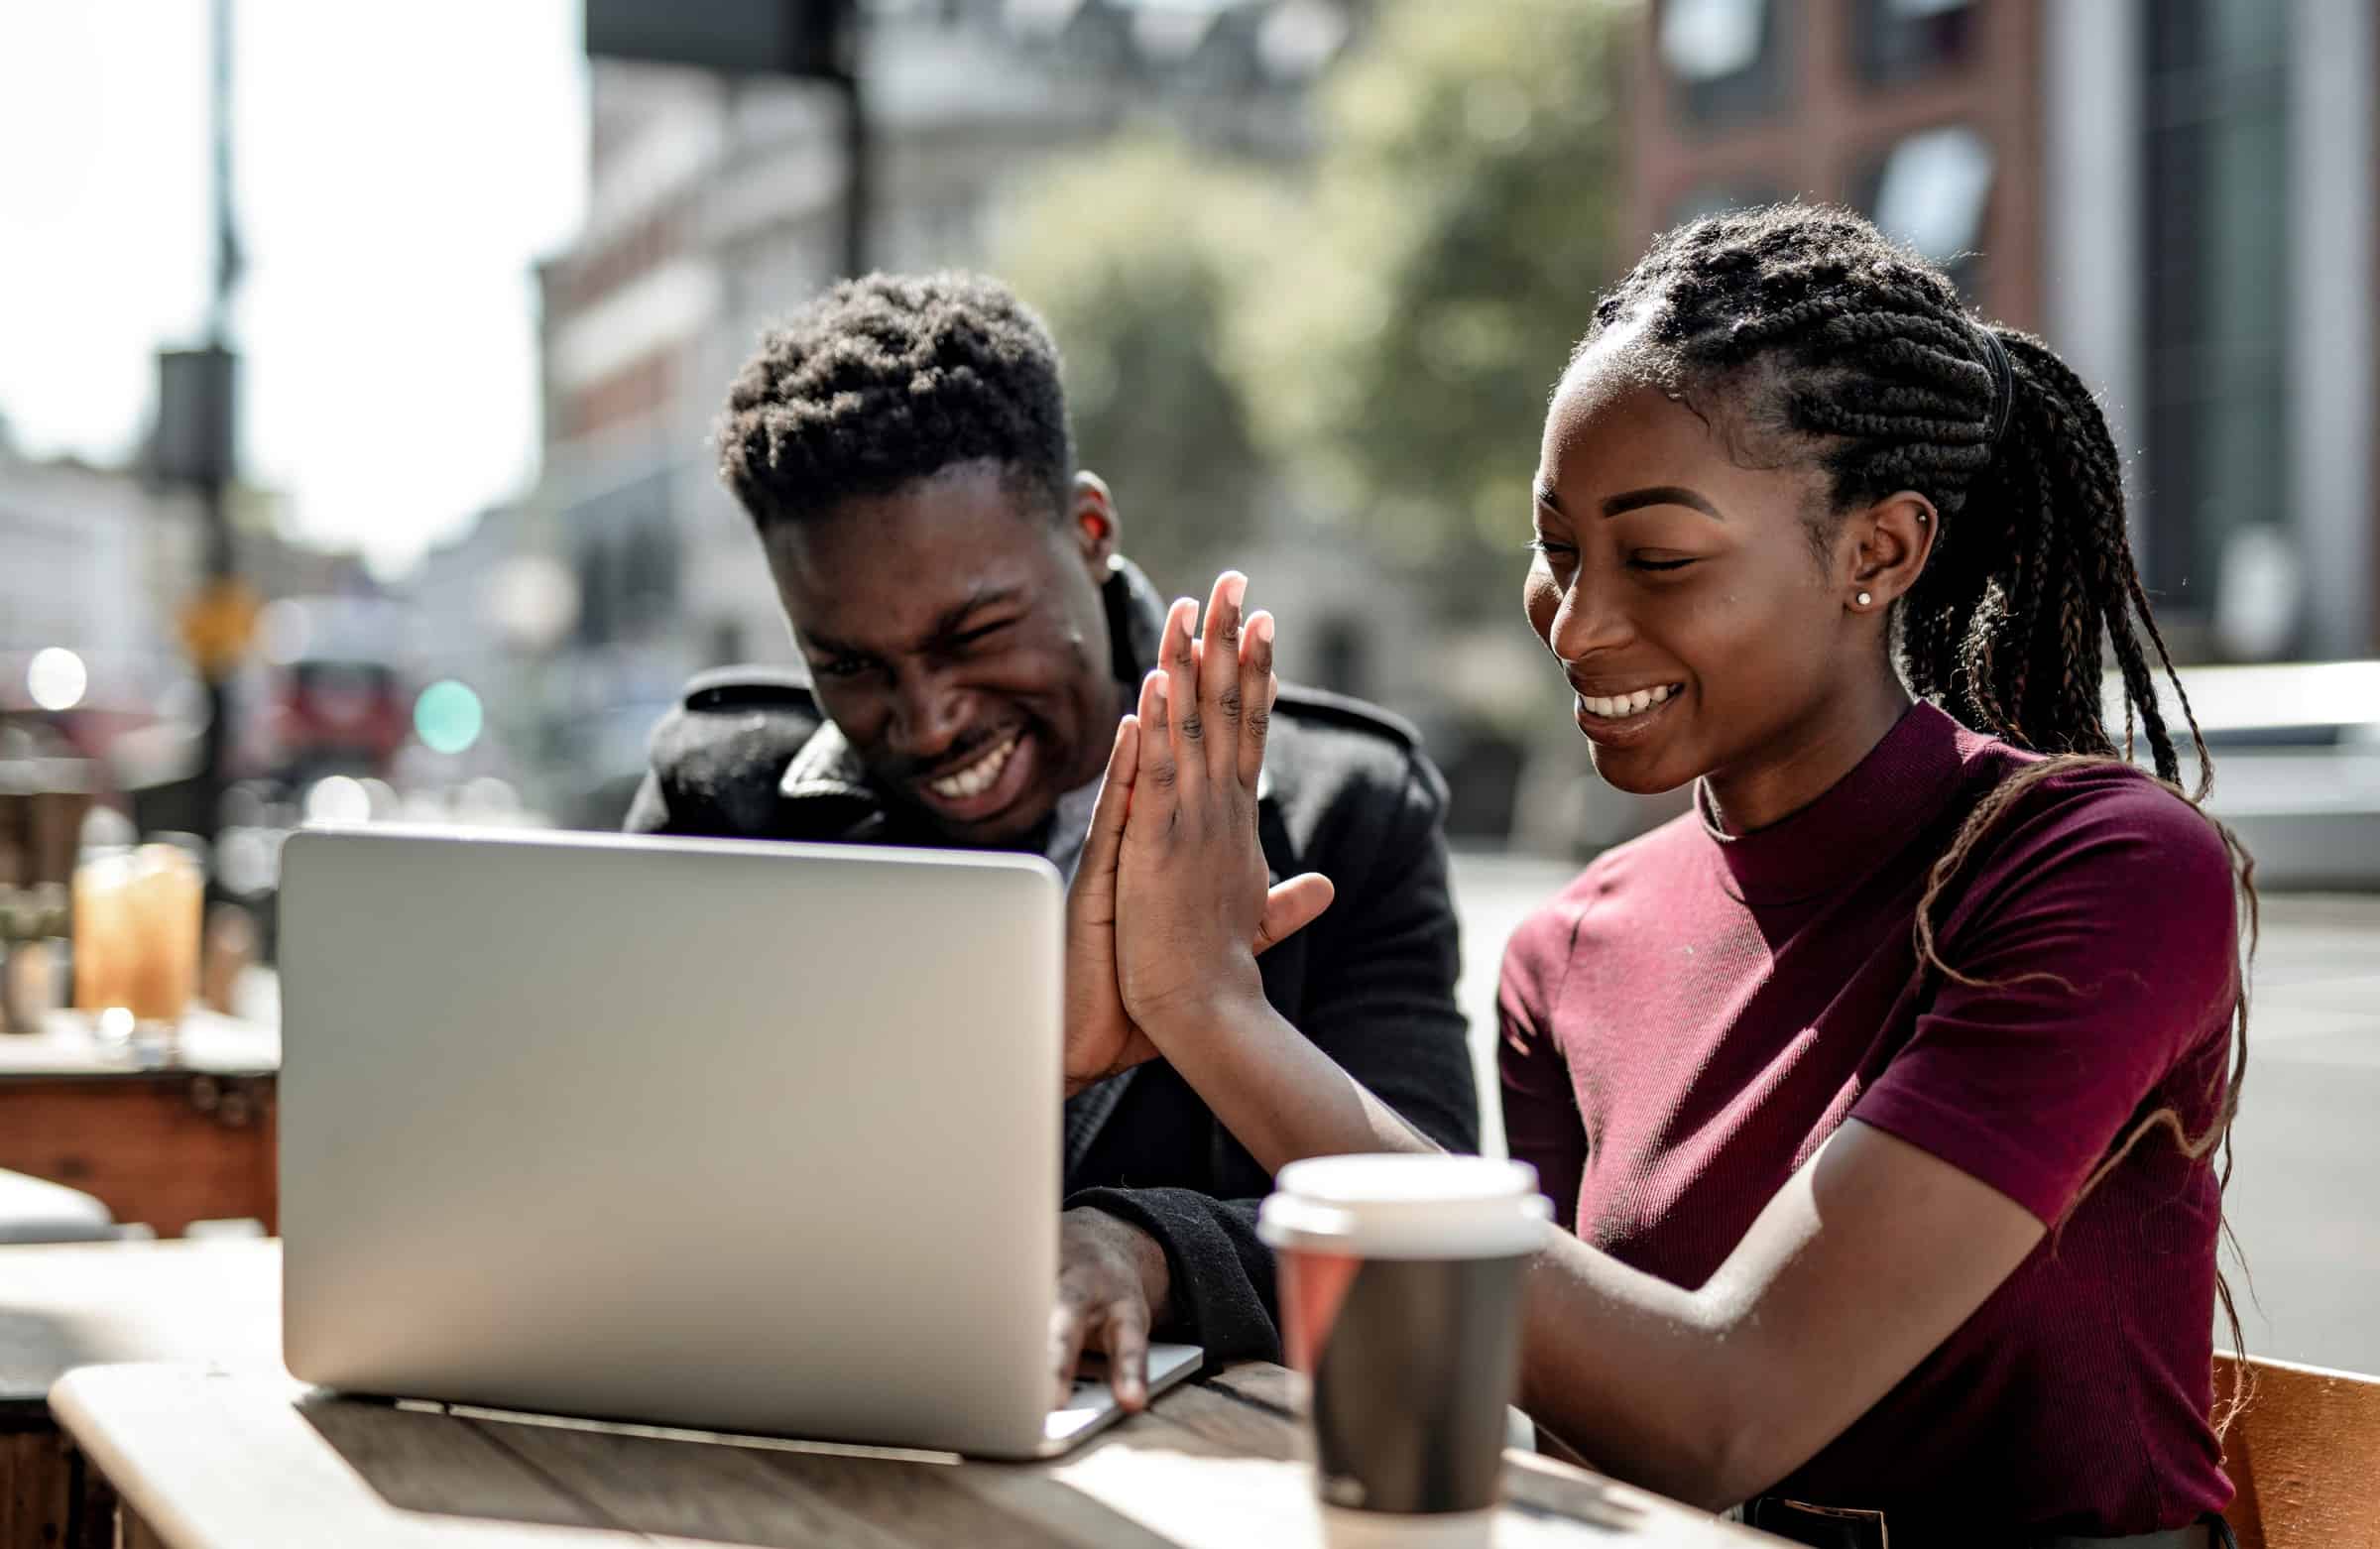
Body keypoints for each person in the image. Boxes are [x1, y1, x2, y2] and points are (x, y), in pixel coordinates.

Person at [1076, 204, 2249, 1546]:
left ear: (1881, 550)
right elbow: (1616, 1461)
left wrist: (1215, 1014)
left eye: (1658, 557)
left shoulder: (2099, 867)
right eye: (1557, 547)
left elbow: (1720, 1409)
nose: (1575, 625)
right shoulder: (1566, 949)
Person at [625, 272, 1478, 1407]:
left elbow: (1429, 1220)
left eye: (976, 632)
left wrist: (1151, 1247)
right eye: (851, 666)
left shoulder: (1344, 813)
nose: (927, 719)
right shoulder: (722, 800)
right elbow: (634, 1181)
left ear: (1088, 530)